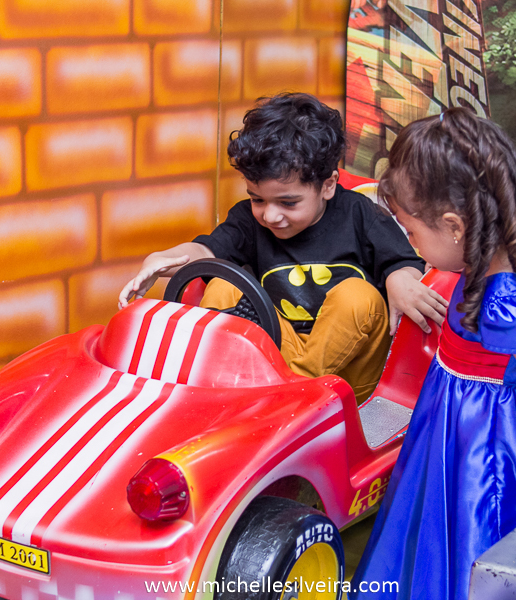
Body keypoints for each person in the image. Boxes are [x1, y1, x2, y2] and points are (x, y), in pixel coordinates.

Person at [351, 107, 516, 600]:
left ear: (453, 226)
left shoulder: (505, 300)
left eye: (410, 231)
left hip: (485, 449)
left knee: (471, 549)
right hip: (457, 426)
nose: (410, 243)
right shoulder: (501, 255)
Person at [118, 92, 448, 402]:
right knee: (221, 284)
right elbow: (207, 252)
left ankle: (293, 403)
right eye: (257, 198)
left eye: (288, 202)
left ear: (328, 185)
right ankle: (241, 392)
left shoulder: (359, 213)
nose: (271, 215)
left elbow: (402, 262)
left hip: (350, 378)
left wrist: (400, 278)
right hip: (278, 361)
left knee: (357, 296)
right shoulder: (249, 219)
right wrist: (160, 260)